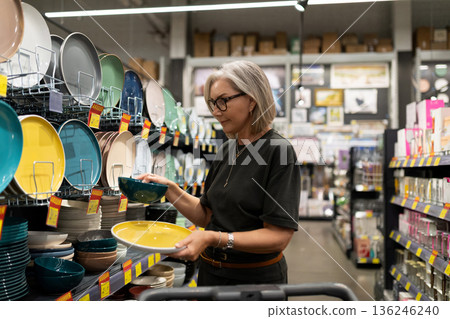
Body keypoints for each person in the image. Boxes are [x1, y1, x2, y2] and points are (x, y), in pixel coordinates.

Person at [137, 60, 300, 286]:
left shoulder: (278, 151)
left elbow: (278, 237)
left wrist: (214, 238)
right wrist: (169, 190)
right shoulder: (227, 149)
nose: (215, 111)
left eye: (223, 101)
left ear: (252, 100)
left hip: (253, 283)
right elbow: (208, 215)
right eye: (212, 103)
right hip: (212, 276)